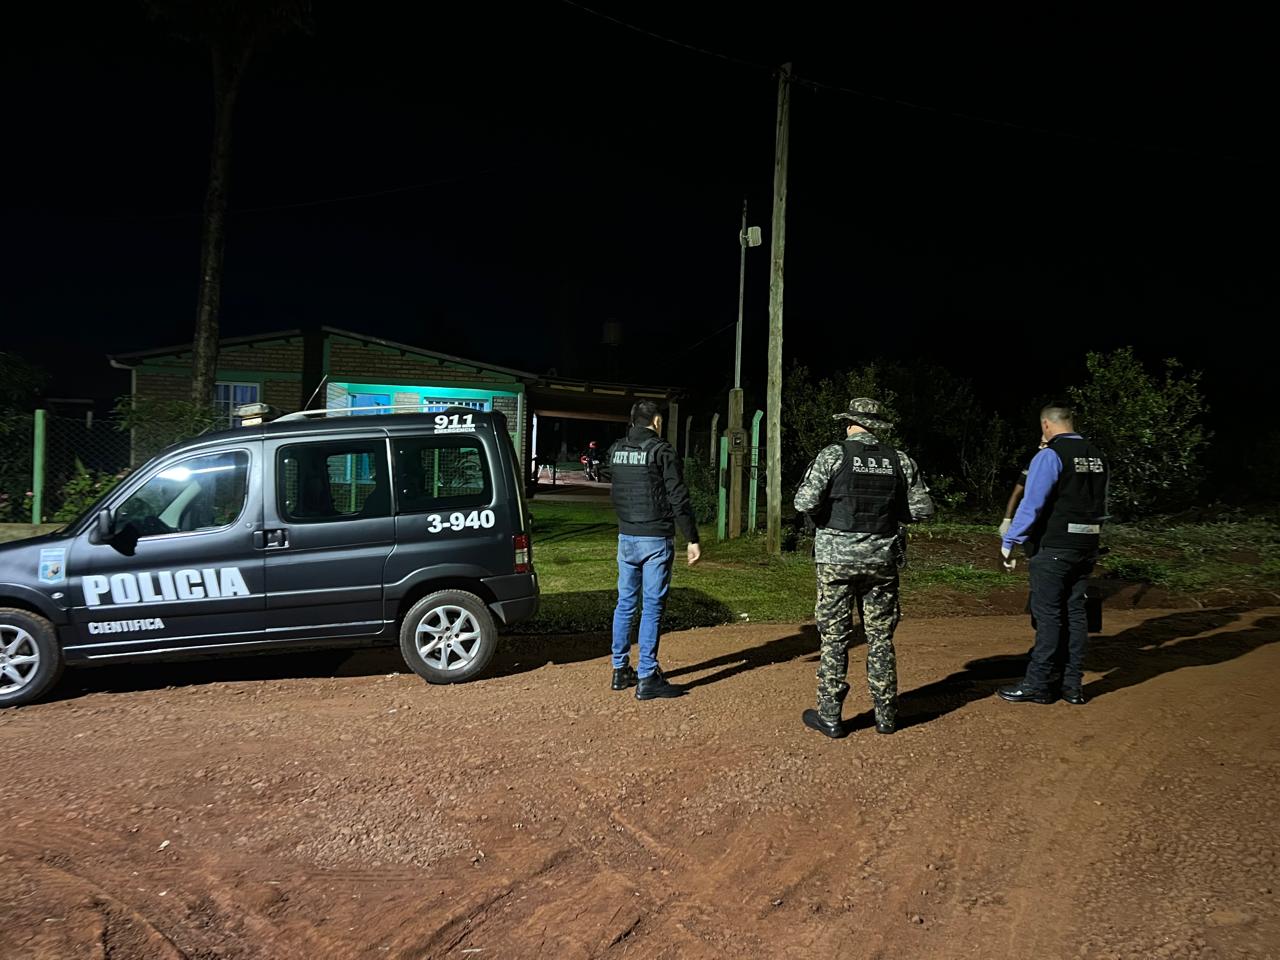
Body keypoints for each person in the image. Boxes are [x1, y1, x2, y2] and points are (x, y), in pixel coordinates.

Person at [793, 398, 935, 737]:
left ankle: (830, 715)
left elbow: (804, 502)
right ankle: (886, 716)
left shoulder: (833, 455)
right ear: (877, 426)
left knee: (834, 638)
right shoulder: (899, 461)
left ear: (849, 424)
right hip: (880, 560)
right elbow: (923, 510)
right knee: (881, 637)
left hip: (836, 561)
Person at [998, 405, 1108, 706]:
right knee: (1075, 615)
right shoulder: (1097, 455)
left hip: (1055, 546)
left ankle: (1038, 684)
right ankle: (1072, 685)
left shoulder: (1050, 455)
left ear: (1047, 424)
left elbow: (1033, 503)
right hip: (1086, 546)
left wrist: (1011, 539)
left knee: (1048, 617)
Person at [607, 400, 702, 700]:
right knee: (652, 607)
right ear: (657, 421)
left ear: (634, 420)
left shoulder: (616, 450)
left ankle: (620, 671)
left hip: (626, 537)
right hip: (655, 539)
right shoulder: (661, 451)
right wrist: (692, 538)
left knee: (625, 603)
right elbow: (678, 496)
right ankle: (647, 676)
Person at [997, 439, 1048, 536]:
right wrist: (1007, 520)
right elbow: (1016, 494)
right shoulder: (1032, 465)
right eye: (1042, 444)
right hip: (1031, 515)